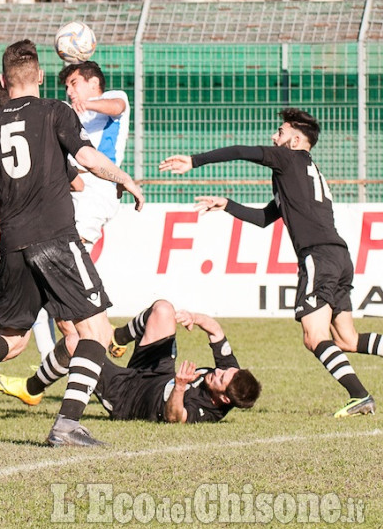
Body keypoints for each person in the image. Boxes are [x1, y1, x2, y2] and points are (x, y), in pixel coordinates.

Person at [0, 39, 145, 447]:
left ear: (5, 80)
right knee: (96, 334)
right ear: (41, 78)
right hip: (57, 240)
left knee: (13, 340)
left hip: (13, 246)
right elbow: (86, 159)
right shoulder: (54, 112)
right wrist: (126, 180)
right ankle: (67, 425)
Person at [159, 107, 377, 418]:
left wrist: (194, 161)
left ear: (295, 140)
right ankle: (360, 394)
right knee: (347, 339)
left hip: (318, 257)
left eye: (280, 132)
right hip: (338, 257)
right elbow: (265, 218)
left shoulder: (287, 159)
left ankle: (359, 396)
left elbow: (239, 151)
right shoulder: (300, 172)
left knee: (314, 337)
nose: (273, 137)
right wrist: (228, 205)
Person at [0, 300, 261, 424]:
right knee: (163, 309)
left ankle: (31, 389)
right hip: (157, 372)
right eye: (225, 370)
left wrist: (179, 387)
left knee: (75, 342)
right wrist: (194, 316)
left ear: (224, 399)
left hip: (129, 395)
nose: (219, 372)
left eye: (221, 378)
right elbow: (216, 331)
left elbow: (174, 418)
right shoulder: (232, 374)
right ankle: (118, 338)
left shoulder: (209, 412)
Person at [58, 61, 130, 251]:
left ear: (93, 82)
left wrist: (87, 104)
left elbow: (117, 107)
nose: (69, 90)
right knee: (52, 246)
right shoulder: (69, 110)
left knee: (73, 248)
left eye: (74, 83)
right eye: (67, 87)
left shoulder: (112, 97)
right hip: (70, 182)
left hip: (99, 184)